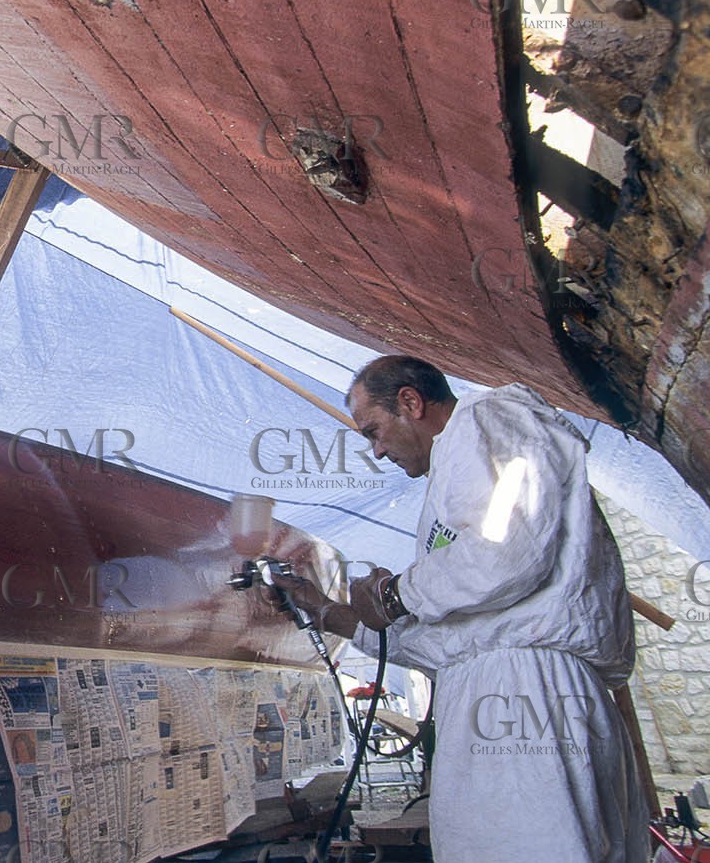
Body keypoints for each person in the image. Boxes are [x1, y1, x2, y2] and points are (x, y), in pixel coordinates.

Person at [275, 354, 649, 862]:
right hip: (502, 692)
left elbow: (505, 547)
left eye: (374, 432)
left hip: (527, 695)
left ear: (411, 401)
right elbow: (454, 640)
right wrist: (325, 610)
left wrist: (393, 594)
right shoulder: (455, 478)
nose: (378, 451)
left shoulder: (490, 418)